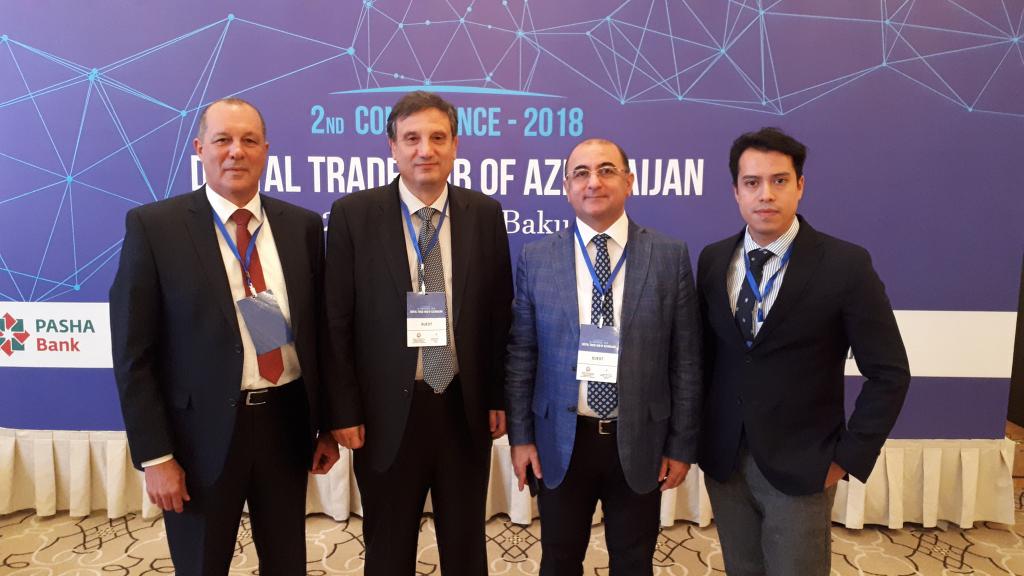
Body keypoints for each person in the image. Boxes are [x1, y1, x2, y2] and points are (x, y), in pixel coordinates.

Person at [109, 98, 339, 574]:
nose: (236, 151)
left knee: (287, 562)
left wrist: (326, 427)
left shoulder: (300, 226)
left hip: (285, 424)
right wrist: (156, 456)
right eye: (223, 140)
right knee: (203, 565)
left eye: (249, 140)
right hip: (199, 438)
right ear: (199, 148)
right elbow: (134, 354)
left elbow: (320, 333)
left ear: (266, 150)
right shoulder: (155, 227)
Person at [697, 127, 911, 575]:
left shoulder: (846, 265)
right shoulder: (713, 260)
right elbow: (707, 359)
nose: (765, 194)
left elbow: (889, 372)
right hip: (725, 460)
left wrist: (847, 458)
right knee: (742, 569)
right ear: (736, 191)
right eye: (752, 182)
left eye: (779, 180)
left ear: (800, 185)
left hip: (803, 463)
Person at [322, 91, 513, 575]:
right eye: (411, 138)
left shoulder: (484, 214)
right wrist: (343, 409)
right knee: (387, 548)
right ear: (392, 146)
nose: (425, 150)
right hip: (384, 414)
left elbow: (498, 316)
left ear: (455, 145)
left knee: (465, 548)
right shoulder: (353, 215)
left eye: (437, 138)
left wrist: (498, 396)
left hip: (463, 408)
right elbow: (336, 321)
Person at [505, 138, 702, 575]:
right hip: (561, 438)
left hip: (640, 439)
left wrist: (681, 444)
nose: (593, 182)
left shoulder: (669, 256)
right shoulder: (537, 258)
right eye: (581, 173)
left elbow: (686, 360)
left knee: (633, 562)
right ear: (566, 187)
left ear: (629, 181)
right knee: (559, 560)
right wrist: (521, 437)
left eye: (607, 170)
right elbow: (522, 355)